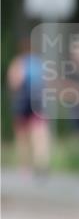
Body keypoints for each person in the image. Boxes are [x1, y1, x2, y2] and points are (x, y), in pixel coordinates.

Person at [6, 37, 51, 178]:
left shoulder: (18, 63)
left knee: (23, 138)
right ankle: (41, 163)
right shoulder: (39, 63)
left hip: (22, 104)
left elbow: (14, 84)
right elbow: (46, 83)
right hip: (38, 103)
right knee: (40, 135)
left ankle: (25, 168)